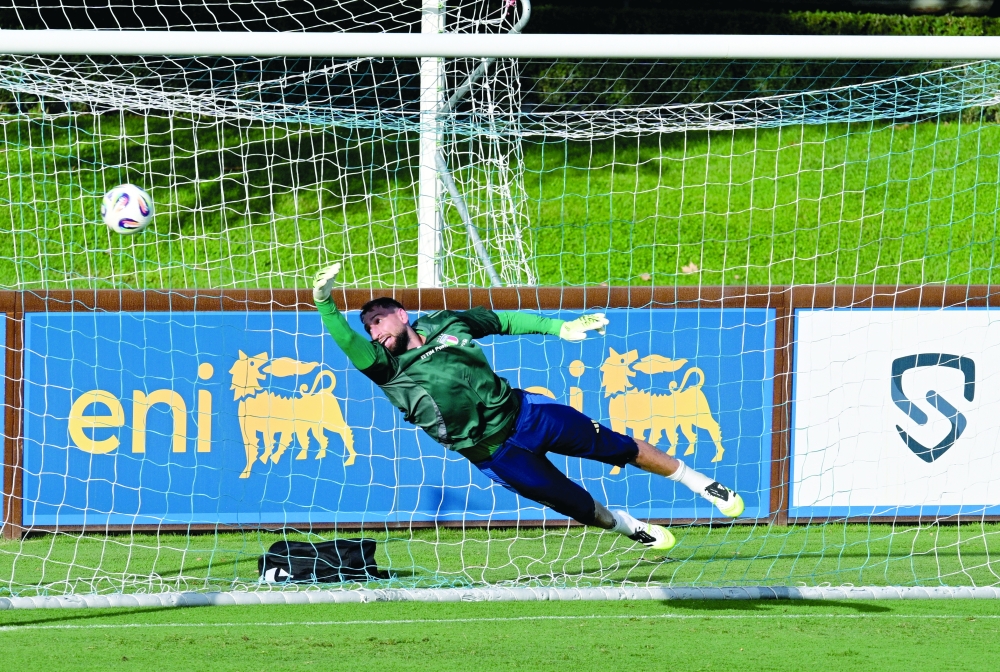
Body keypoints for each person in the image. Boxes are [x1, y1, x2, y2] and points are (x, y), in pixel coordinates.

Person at [311, 263, 743, 551]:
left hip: (528, 415)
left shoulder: (446, 322)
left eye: (378, 321)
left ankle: (702, 483)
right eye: (368, 327)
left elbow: (504, 322)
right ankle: (633, 528)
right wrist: (325, 302)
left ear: (401, 315)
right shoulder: (385, 367)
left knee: (617, 447)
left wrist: (561, 327)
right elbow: (347, 341)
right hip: (494, 454)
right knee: (579, 507)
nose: (372, 332)